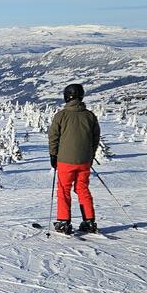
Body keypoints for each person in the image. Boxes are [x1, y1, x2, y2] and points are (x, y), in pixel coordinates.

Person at [48, 83, 100, 234]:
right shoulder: (89, 116)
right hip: (84, 160)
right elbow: (95, 137)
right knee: (82, 188)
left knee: (64, 189)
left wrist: (53, 154)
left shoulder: (61, 116)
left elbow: (53, 137)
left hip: (65, 160)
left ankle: (64, 222)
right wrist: (91, 155)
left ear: (66, 97)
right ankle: (89, 221)